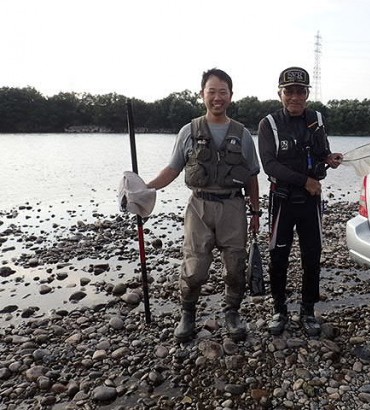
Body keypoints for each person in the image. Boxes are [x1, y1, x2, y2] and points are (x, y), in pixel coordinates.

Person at [146, 68, 261, 342]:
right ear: (202, 95)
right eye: (212, 92)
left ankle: (232, 313)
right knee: (195, 268)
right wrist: (146, 188)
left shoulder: (242, 134)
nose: (217, 97)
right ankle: (188, 315)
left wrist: (255, 212)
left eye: (223, 92)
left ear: (231, 96)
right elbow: (172, 169)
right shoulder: (188, 131)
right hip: (199, 206)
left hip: (233, 207)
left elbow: (253, 176)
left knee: (235, 267)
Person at [257, 66, 343, 336]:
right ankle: (279, 310)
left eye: (300, 91)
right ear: (280, 94)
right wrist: (304, 180)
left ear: (307, 93)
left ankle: (308, 310)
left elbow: (321, 152)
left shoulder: (316, 118)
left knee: (312, 255)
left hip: (310, 201)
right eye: (289, 91)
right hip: (282, 200)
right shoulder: (268, 123)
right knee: (278, 256)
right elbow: (269, 165)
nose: (295, 96)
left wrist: (329, 159)